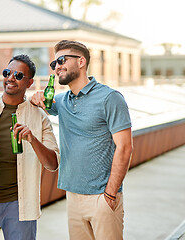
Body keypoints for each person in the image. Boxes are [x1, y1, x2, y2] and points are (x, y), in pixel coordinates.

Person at [31, 40, 133, 239]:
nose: (57, 67)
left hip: (103, 197)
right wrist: (35, 97)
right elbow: (38, 102)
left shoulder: (110, 98)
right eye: (54, 64)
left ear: (81, 62)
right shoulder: (62, 100)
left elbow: (125, 147)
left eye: (62, 60)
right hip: (73, 196)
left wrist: (110, 195)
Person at [0, 54, 60, 240]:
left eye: (19, 75)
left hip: (19, 204)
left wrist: (32, 139)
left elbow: (52, 164)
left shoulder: (39, 117)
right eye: (8, 73)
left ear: (29, 83)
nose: (11, 78)